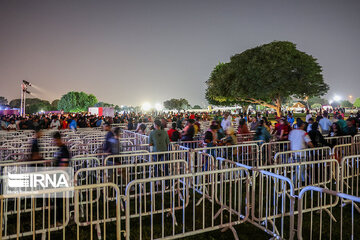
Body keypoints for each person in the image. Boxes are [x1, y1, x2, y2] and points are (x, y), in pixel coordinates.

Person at [52, 131, 70, 226]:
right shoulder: (60, 149)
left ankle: (61, 220)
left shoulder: (64, 150)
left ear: (58, 139)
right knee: (58, 199)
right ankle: (61, 218)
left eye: (55, 140)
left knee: (60, 200)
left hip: (61, 177)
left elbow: (64, 165)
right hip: (58, 177)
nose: (54, 142)